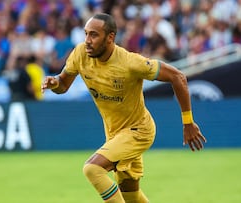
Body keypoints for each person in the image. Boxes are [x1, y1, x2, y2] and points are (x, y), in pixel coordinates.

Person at [41, 13, 206, 203]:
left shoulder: (129, 63)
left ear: (110, 37)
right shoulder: (80, 54)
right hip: (115, 134)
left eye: (93, 35)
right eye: (86, 34)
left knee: (93, 169)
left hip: (138, 131)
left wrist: (188, 122)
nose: (87, 40)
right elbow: (63, 84)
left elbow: (178, 77)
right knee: (131, 196)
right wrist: (55, 83)